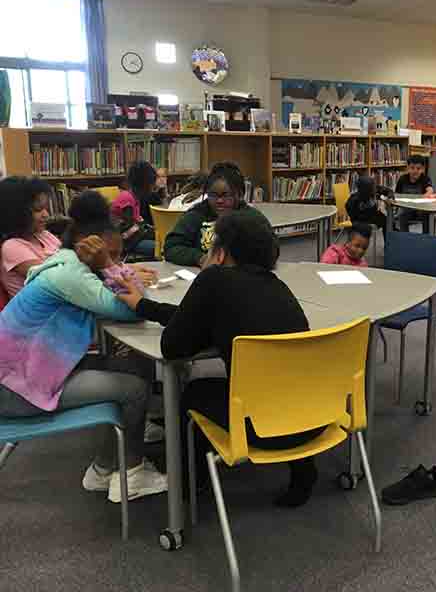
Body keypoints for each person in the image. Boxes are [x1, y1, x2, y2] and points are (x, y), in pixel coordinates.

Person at [115, 213, 322, 507]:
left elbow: (174, 346)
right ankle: (303, 471)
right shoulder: (276, 286)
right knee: (278, 384)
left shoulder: (214, 279)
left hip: (260, 428)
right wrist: (144, 306)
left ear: (221, 254)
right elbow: (204, 320)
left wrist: (199, 280)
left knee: (193, 393)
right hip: (313, 417)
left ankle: (191, 483)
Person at [0, 190, 167, 502]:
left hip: (27, 374)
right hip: (15, 389)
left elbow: (130, 297)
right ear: (88, 249)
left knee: (130, 365)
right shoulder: (71, 277)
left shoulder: (65, 263)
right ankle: (132, 474)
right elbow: (133, 308)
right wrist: (110, 266)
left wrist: (109, 266)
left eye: (120, 256)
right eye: (112, 255)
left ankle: (103, 471)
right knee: (133, 388)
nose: (118, 263)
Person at [163, 162, 270, 267]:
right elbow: (171, 247)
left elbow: (270, 249)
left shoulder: (252, 217)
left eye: (225, 195)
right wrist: (200, 258)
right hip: (202, 276)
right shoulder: (196, 215)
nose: (219, 201)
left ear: (239, 195)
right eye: (213, 195)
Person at [0, 176, 62, 298]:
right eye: (38, 210)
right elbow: (58, 280)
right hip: (43, 315)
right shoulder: (11, 247)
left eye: (46, 208)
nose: (46, 215)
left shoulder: (45, 235)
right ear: (15, 213)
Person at [111, 161, 158, 257]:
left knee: (159, 241)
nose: (153, 187)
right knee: (159, 247)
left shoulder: (135, 198)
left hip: (133, 239)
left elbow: (137, 222)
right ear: (144, 184)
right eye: (152, 184)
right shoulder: (127, 199)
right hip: (126, 243)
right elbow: (127, 232)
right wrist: (147, 232)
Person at [395, 155, 434, 233]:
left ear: (423, 169)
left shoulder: (425, 179)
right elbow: (396, 194)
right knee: (402, 216)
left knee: (429, 217)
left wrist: (424, 196)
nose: (415, 171)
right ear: (407, 168)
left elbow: (430, 190)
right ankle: (405, 238)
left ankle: (426, 238)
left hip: (421, 209)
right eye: (412, 168)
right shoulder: (402, 179)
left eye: (418, 168)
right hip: (407, 209)